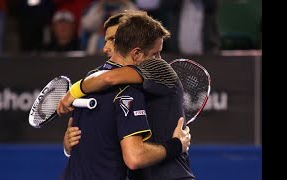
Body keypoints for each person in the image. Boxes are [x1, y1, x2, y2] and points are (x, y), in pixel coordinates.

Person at [58, 11, 195, 180]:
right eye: (155, 54)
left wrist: (73, 92)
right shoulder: (102, 83)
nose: (159, 59)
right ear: (136, 53)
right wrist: (68, 145)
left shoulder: (161, 70)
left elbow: (108, 78)